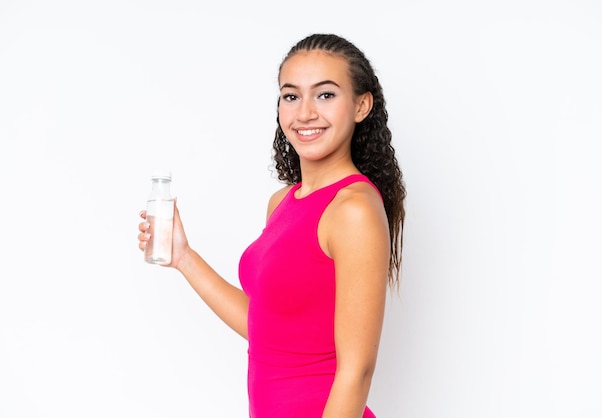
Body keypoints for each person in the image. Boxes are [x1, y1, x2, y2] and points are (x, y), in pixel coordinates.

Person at [137, 33, 406, 418]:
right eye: (291, 96)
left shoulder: (354, 209)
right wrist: (183, 257)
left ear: (361, 105)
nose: (305, 113)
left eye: (325, 95)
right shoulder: (282, 202)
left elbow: (356, 371)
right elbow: (268, 331)